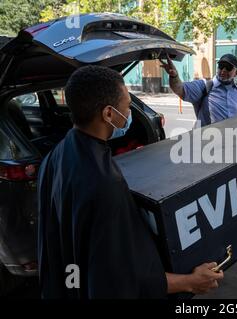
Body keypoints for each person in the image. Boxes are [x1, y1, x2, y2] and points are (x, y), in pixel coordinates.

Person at [37, 65, 224, 298]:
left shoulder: (55, 156)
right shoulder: (104, 185)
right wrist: (190, 282)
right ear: (108, 114)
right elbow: (121, 278)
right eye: (127, 106)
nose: (129, 113)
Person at [160, 53, 237, 127]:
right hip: (208, 144)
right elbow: (180, 89)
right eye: (221, 66)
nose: (223, 70)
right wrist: (174, 76)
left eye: (228, 67)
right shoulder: (205, 85)